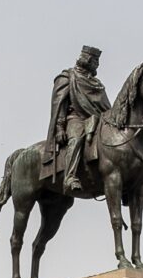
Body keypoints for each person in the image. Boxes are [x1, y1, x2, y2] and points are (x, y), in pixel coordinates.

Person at [46, 45, 111, 193]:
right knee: (76, 139)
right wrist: (60, 127)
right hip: (75, 118)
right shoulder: (68, 77)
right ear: (87, 60)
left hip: (97, 121)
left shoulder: (97, 84)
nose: (97, 66)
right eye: (95, 62)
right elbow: (59, 105)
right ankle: (70, 177)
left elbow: (106, 108)